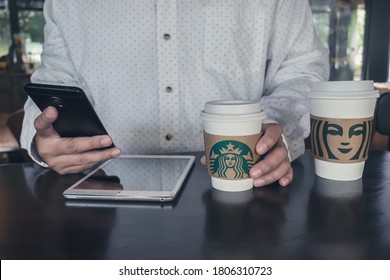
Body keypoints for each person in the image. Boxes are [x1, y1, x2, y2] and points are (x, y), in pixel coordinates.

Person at [21, 0, 329, 187]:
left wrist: (278, 127)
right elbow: (55, 76)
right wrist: (47, 138)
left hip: (246, 185)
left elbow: (303, 69)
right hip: (105, 204)